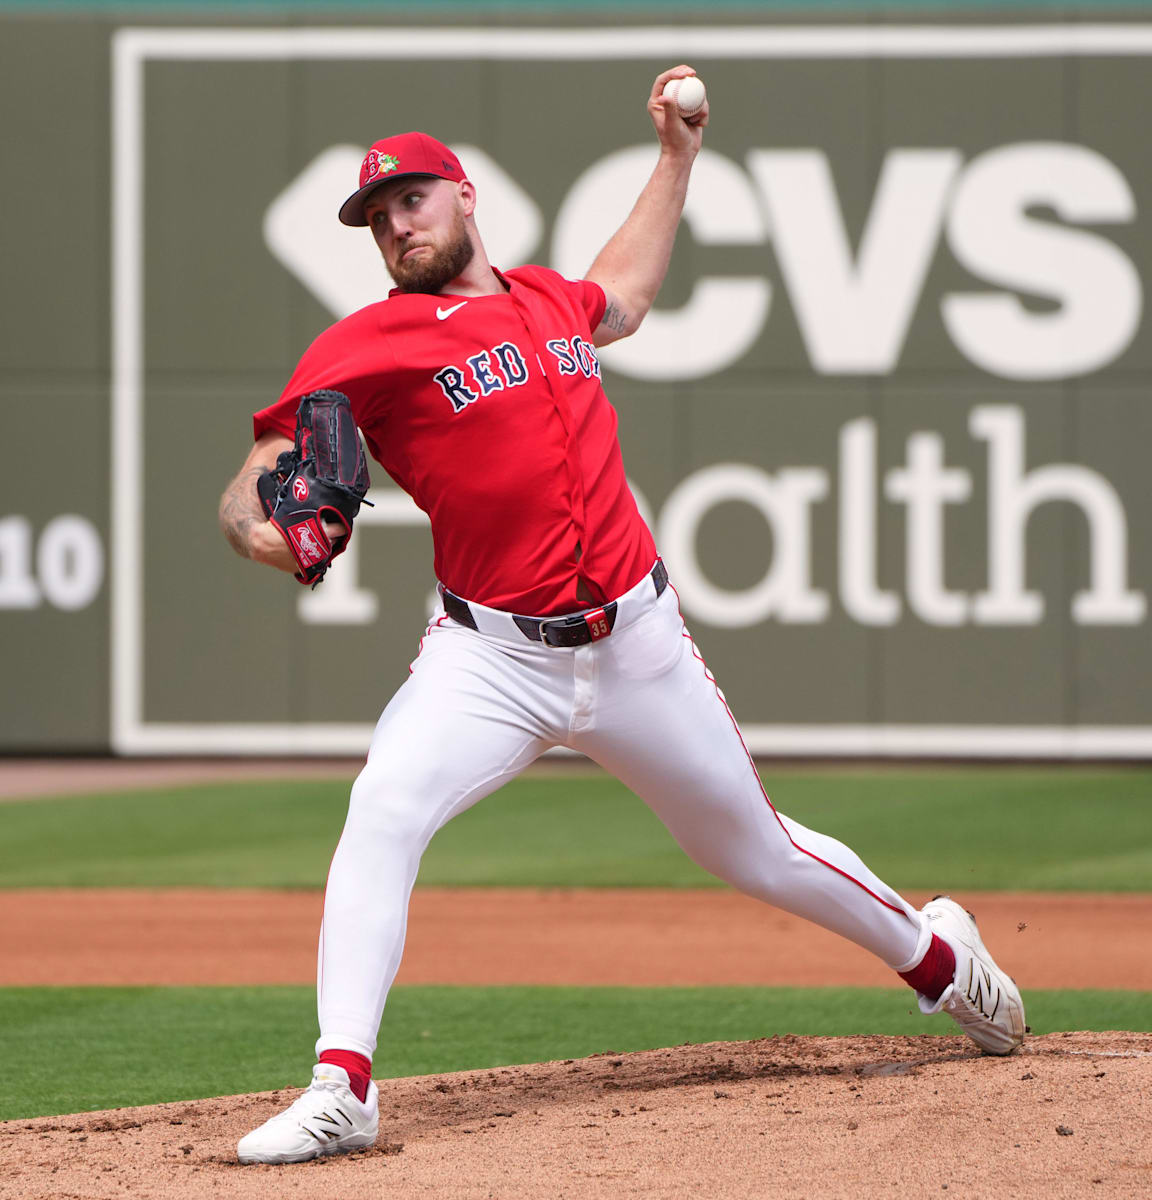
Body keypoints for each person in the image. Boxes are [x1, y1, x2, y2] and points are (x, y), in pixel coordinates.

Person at [220, 66, 1025, 1166]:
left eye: (411, 196)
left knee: (756, 851)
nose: (395, 223)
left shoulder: (551, 301)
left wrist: (677, 157)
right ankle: (342, 1086)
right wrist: (266, 532)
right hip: (488, 657)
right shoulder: (367, 346)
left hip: (638, 645)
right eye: (375, 215)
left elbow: (626, 294)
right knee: (384, 807)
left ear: (461, 194)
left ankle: (942, 962)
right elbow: (259, 471)